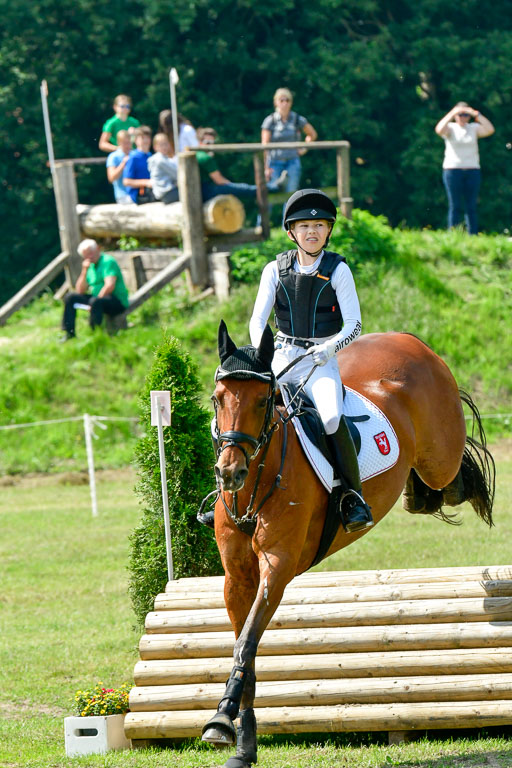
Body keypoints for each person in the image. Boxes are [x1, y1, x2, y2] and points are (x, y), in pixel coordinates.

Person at [249, 189, 373, 533]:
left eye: (319, 225)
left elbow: (355, 325)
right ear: (292, 232)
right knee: (245, 409)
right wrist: (263, 353)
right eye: (305, 226)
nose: (312, 232)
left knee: (332, 417)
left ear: (328, 230)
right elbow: (258, 320)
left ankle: (352, 497)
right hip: (281, 356)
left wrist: (328, 350)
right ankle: (226, 490)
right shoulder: (274, 269)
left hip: (320, 360)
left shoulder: (338, 269)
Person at [435, 102, 494, 235]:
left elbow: (490, 129)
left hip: (472, 169)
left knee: (471, 206)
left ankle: (472, 235)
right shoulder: (450, 128)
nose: (463, 117)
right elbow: (439, 129)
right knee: (454, 205)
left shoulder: (473, 128)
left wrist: (476, 114)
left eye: (465, 115)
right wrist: (452, 113)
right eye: (460, 115)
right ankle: (453, 234)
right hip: (452, 169)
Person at [61, 240, 129, 341]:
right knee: (70, 297)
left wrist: (94, 303)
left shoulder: (107, 261)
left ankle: (94, 334)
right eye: (86, 255)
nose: (90, 257)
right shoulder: (90, 266)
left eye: (91, 253)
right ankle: (69, 333)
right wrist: (84, 271)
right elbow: (80, 290)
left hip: (116, 301)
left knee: (95, 301)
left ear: (97, 249)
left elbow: (110, 286)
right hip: (98, 299)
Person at [261, 88, 317, 194]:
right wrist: (266, 167)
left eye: (287, 100)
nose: (284, 103)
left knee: (291, 195)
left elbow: (312, 134)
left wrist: (304, 149)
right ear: (276, 102)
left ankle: (288, 212)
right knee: (270, 194)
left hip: (292, 162)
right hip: (274, 163)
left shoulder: (297, 119)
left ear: (291, 102)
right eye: (281, 100)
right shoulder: (270, 120)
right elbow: (265, 146)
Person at [123, 126, 154, 204]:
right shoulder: (133, 157)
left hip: (150, 192)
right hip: (138, 196)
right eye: (143, 138)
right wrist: (146, 182)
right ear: (136, 140)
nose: (146, 141)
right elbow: (126, 181)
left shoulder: (150, 156)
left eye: (148, 138)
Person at [148, 133, 179, 203]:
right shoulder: (160, 160)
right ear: (155, 147)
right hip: (166, 193)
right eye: (161, 145)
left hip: (165, 193)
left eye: (166, 144)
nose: (164, 147)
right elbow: (177, 175)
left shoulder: (163, 158)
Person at [106, 130, 134, 204]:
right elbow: (111, 178)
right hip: (123, 196)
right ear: (119, 143)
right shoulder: (113, 157)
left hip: (135, 193)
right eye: (125, 143)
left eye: (129, 143)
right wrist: (123, 163)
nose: (128, 146)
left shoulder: (134, 155)